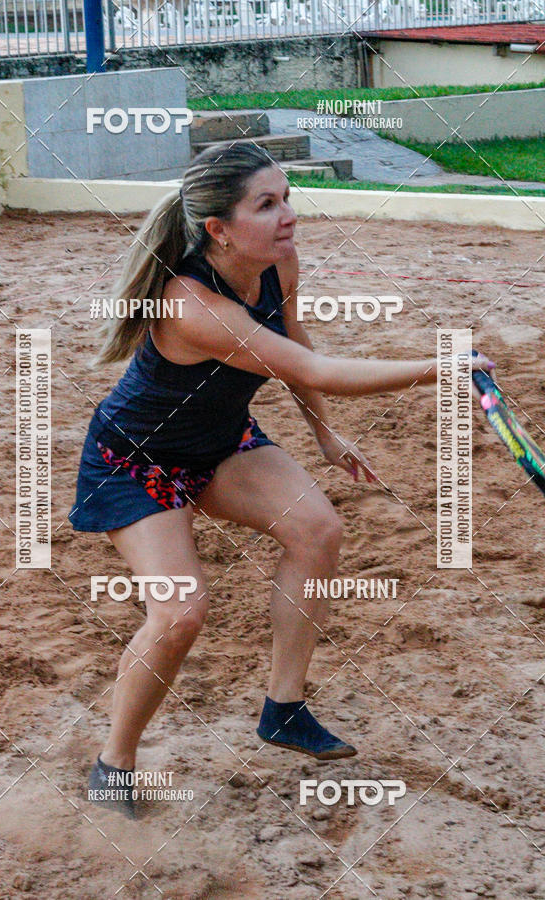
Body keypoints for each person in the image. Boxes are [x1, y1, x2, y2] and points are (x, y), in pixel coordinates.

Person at [69, 142, 494, 817]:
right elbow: (319, 370)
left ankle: (283, 709)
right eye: (266, 204)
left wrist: (324, 433)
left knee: (318, 531)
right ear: (219, 229)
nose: (288, 214)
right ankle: (113, 764)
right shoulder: (190, 303)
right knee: (180, 612)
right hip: (137, 459)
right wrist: (441, 365)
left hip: (219, 440)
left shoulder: (275, 260)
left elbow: (300, 354)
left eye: (287, 196)